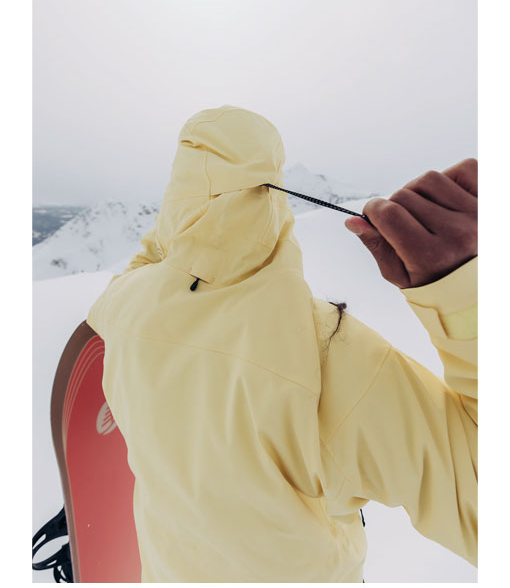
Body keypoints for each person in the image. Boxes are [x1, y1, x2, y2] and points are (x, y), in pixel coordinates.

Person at [86, 105, 477, 582]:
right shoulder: (322, 353)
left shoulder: (125, 304)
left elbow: (146, 262)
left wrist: (188, 220)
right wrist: (466, 292)